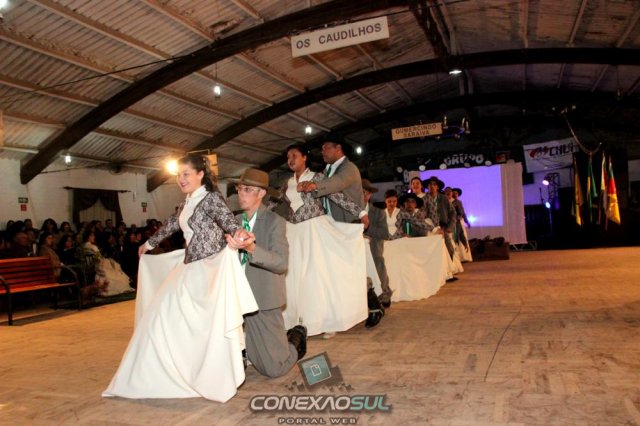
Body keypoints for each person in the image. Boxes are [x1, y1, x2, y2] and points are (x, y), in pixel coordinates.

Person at [103, 154, 258, 402]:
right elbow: (173, 223)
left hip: (207, 270)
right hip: (188, 269)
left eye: (186, 174)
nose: (180, 179)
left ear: (200, 174)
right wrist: (148, 244)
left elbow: (230, 223)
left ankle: (202, 376)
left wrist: (242, 236)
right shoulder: (188, 201)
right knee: (157, 319)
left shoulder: (211, 198)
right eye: (178, 175)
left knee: (202, 328)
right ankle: (152, 376)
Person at [275, 144, 370, 338]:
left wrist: (361, 212)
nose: (290, 160)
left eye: (294, 155)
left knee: (316, 276)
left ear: (304, 157)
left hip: (314, 230)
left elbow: (337, 197)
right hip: (294, 232)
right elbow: (273, 202)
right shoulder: (286, 182)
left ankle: (327, 321)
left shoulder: (317, 178)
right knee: (294, 276)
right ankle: (296, 320)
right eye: (288, 157)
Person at [225, 168, 306, 377]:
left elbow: (281, 262)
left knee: (273, 369)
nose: (241, 193)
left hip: (262, 298)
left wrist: (252, 248)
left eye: (247, 189)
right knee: (244, 360)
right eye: (239, 188)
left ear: (261, 193)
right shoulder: (233, 222)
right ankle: (246, 353)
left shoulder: (274, 222)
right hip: (236, 297)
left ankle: (296, 340)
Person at [299, 140, 383, 329]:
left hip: (347, 224)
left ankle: (373, 303)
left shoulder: (348, 168)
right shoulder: (326, 171)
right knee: (337, 271)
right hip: (329, 227)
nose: (322, 151)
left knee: (350, 270)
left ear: (339, 148)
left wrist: (314, 185)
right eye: (321, 148)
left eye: (326, 147)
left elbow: (336, 185)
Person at [362, 179, 393, 309]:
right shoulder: (349, 212)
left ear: (369, 194)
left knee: (378, 265)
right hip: (356, 250)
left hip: (374, 249)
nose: (362, 195)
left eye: (365, 192)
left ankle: (385, 293)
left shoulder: (379, 212)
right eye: (359, 192)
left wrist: (366, 228)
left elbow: (385, 233)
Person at [422, 176, 456, 258]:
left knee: (449, 249)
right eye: (430, 184)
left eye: (434, 184)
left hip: (443, 227)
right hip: (430, 228)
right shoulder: (424, 199)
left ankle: (449, 263)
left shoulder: (444, 198)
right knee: (431, 251)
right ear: (427, 187)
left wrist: (450, 226)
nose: (432, 186)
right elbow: (421, 215)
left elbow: (453, 212)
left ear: (437, 187)